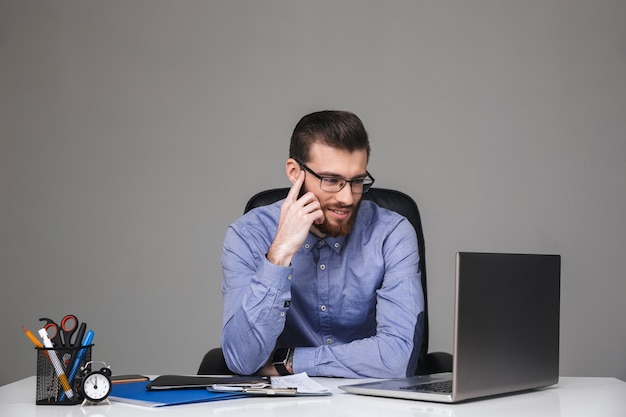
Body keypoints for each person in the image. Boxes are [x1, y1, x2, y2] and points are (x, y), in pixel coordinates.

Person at [220, 110, 424, 378]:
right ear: (295, 173)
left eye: (357, 181)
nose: (347, 198)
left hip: (370, 404)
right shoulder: (248, 235)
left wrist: (289, 361)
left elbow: (397, 357)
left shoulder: (392, 234)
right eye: (331, 180)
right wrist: (279, 253)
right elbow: (242, 360)